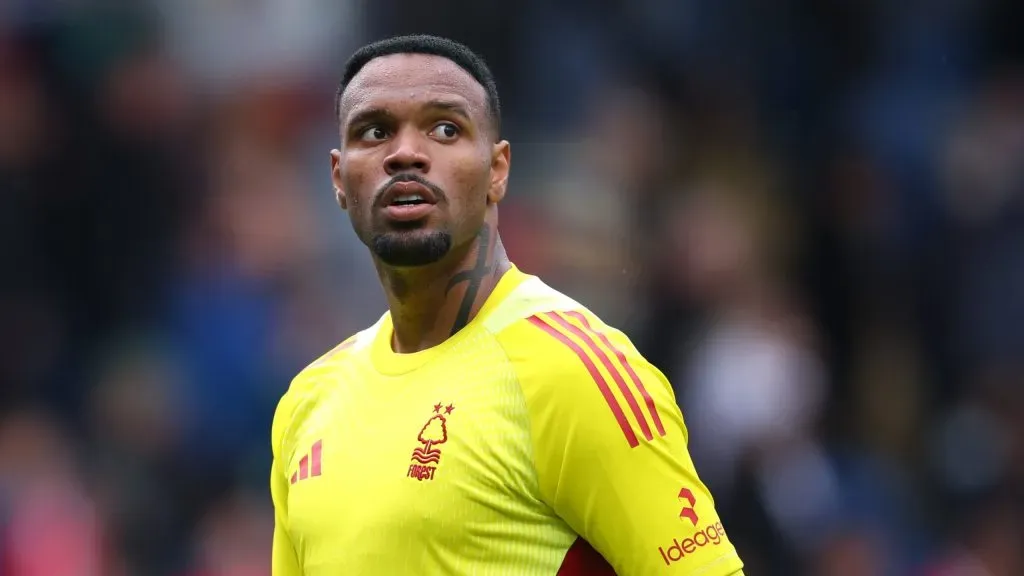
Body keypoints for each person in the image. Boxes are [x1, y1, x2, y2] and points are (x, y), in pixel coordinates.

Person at [269, 34, 745, 575]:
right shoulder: (307, 403)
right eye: (374, 131)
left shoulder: (573, 371)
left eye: (446, 128)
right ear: (338, 177)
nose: (405, 152)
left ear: (498, 170)